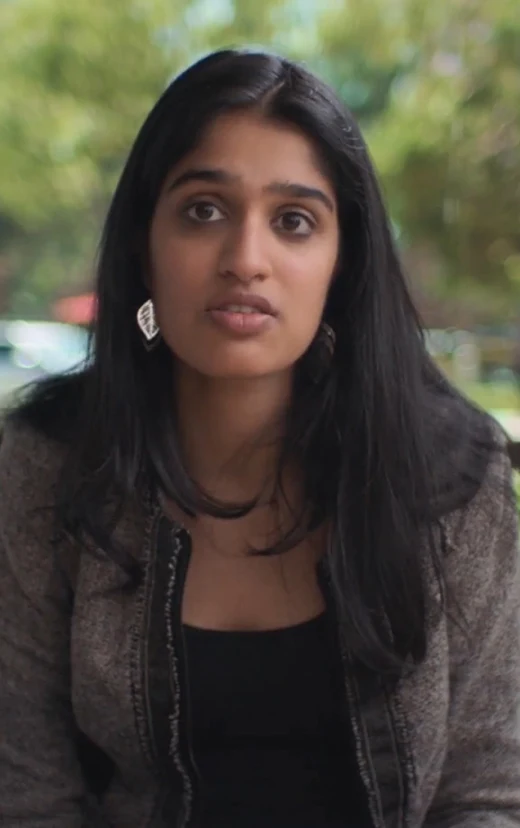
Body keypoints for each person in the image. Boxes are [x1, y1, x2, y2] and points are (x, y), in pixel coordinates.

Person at [0, 48, 518, 828]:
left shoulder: (453, 480)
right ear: (145, 244)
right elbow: (27, 796)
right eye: (204, 210)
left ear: (341, 264)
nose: (246, 260)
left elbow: (489, 792)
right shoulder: (44, 468)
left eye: (294, 222)